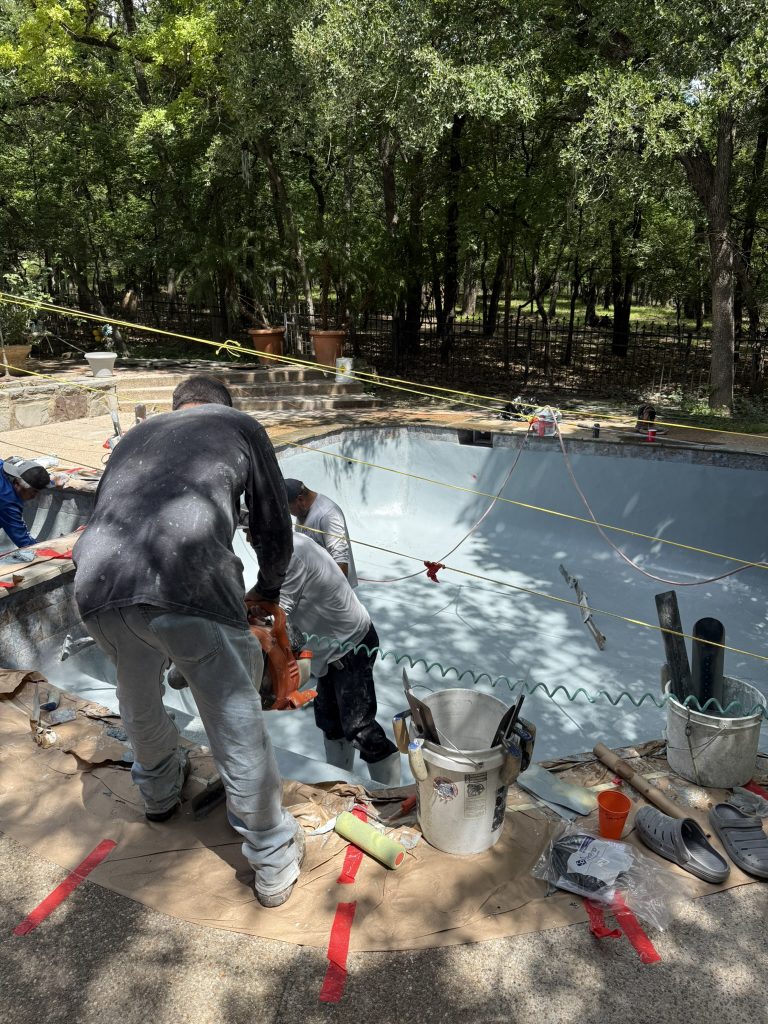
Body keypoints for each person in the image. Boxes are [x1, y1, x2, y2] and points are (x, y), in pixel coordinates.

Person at [72, 375, 303, 908]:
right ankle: (271, 858)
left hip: (96, 589)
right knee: (236, 725)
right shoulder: (238, 426)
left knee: (139, 702)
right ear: (224, 405)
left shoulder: (135, 437)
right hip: (185, 584)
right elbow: (271, 525)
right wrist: (267, 591)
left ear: (177, 407)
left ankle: (157, 796)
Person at [254, 531, 400, 786]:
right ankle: (339, 782)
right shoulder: (277, 551)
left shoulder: (292, 555)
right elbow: (261, 596)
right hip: (328, 650)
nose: (247, 538)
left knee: (359, 728)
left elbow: (278, 614)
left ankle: (390, 793)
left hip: (351, 645)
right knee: (329, 720)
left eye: (250, 532)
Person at [283, 479, 358, 586]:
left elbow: (341, 563)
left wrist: (332, 597)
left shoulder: (328, 514)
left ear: (300, 500)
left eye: (289, 508)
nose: (289, 513)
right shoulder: (303, 511)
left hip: (332, 592)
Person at [0, 457, 51, 549]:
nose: (35, 496)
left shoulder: (2, 467)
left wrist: (53, 481)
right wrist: (44, 549)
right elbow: (24, 542)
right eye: (34, 491)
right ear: (18, 485)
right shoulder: (8, 502)